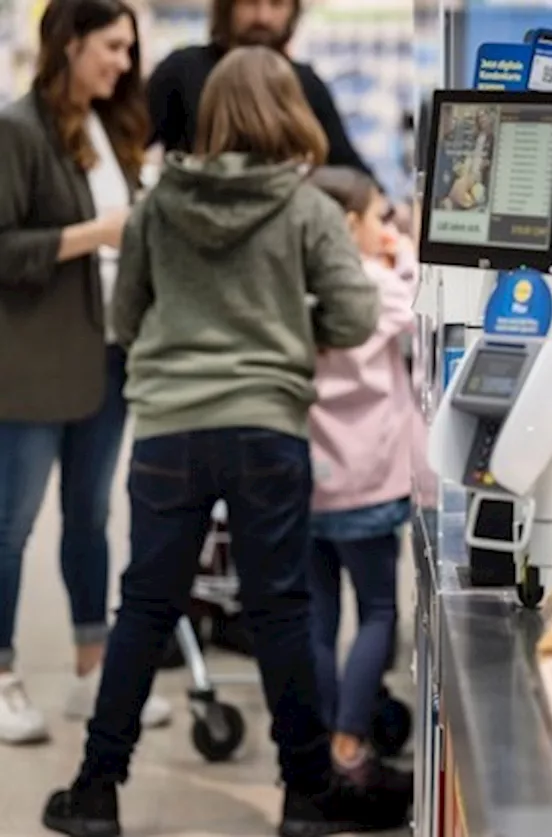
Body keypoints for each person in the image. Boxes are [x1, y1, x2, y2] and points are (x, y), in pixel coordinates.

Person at [42, 46, 410, 837]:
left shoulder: (156, 204)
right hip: (267, 432)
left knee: (143, 606)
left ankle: (96, 790)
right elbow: (352, 318)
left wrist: (182, 347)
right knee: (281, 610)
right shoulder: (308, 207)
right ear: (289, 114)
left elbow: (125, 316)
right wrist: (280, 328)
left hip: (170, 432)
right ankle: (308, 797)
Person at [0, 0, 171, 746]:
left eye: (129, 49)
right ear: (68, 44)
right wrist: (96, 233)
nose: (123, 64)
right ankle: (3, 674)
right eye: (112, 47)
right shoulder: (17, 130)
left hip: (110, 354)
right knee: (12, 525)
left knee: (92, 516)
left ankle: (90, 666)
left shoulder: (111, 128)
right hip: (35, 364)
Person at [305, 166, 416, 783]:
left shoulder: (294, 282)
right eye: (381, 216)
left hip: (308, 482)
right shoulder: (376, 284)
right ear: (350, 226)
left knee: (319, 617)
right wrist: (405, 256)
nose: (390, 226)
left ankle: (323, 740)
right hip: (369, 481)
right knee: (377, 610)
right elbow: (424, 304)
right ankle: (351, 744)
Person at [146, 0, 374, 178]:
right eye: (250, 3)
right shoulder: (181, 69)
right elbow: (132, 137)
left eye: (276, 4)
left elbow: (347, 165)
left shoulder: (306, 82)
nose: (262, 17)